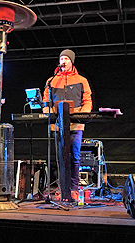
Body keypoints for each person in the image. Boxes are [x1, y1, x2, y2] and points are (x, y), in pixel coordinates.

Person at [42, 49, 93, 203]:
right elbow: (46, 102)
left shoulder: (81, 80)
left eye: (66, 58)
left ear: (71, 61)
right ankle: (62, 188)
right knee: (60, 158)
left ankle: (74, 189)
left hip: (76, 125)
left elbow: (87, 100)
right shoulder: (51, 81)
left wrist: (82, 115)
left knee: (75, 157)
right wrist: (48, 111)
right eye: (61, 58)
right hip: (58, 126)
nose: (63, 60)